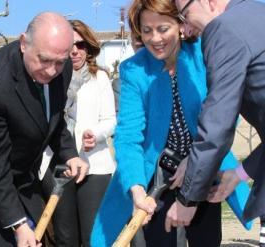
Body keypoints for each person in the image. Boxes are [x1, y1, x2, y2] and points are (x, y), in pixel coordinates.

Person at [90, 0, 248, 246]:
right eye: (146, 30)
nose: (155, 39)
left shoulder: (203, 55)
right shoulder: (133, 70)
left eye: (163, 28)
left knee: (207, 240)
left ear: (180, 25)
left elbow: (225, 113)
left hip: (204, 169)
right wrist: (137, 189)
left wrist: (195, 160)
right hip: (156, 176)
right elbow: (129, 136)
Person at [0, 12, 89, 247]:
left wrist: (69, 153)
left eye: (59, 62)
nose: (52, 71)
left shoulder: (63, 66)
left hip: (18, 174)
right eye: (44, 60)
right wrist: (18, 223)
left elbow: (53, 118)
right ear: (23, 43)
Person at [171, 0, 265, 231]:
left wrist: (188, 198)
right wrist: (238, 174)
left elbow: (217, 126)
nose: (185, 30)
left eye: (184, 16)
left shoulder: (224, 29)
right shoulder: (257, 11)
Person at [40, 19, 116, 247]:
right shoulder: (48, 78)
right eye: (70, 44)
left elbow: (111, 120)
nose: (75, 51)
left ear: (89, 47)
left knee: (94, 236)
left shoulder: (99, 78)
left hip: (94, 164)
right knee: (65, 237)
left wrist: (97, 134)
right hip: (57, 165)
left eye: (81, 45)